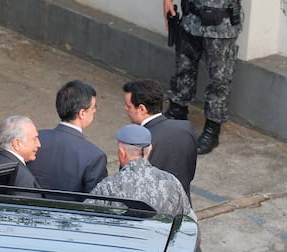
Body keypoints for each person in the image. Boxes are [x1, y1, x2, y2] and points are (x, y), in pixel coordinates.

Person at [163, 0, 244, 154]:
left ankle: (212, 129)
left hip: (221, 21)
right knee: (183, 67)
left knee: (219, 79)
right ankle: (177, 112)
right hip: (191, 16)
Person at [85, 124, 195, 219]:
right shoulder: (172, 182)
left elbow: (86, 218)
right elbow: (189, 222)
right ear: (150, 149)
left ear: (121, 153)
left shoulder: (108, 186)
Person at [26, 80, 108, 201]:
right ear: (82, 113)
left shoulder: (35, 138)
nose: (95, 110)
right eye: (93, 107)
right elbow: (97, 203)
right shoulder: (94, 156)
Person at [123, 79, 196, 203]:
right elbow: (190, 170)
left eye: (128, 106)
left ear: (142, 109)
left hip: (151, 213)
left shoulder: (137, 143)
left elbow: (128, 185)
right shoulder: (186, 128)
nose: (125, 109)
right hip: (182, 208)